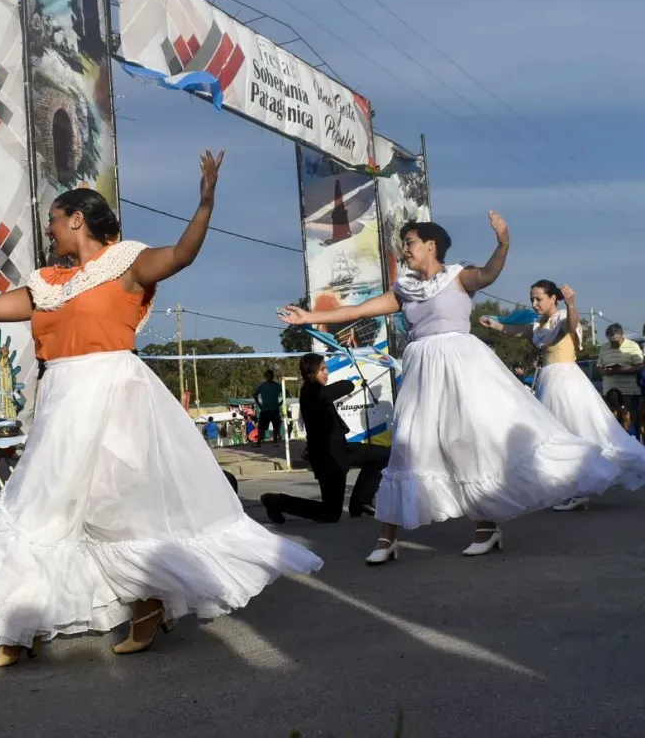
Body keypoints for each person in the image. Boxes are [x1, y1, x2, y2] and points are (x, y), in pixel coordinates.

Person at [0, 150, 322, 667]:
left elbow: (181, 255)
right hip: (62, 403)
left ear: (76, 220)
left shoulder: (125, 265)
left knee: (116, 511)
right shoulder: (47, 285)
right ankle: (19, 624)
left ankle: (146, 603)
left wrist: (205, 203)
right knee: (40, 508)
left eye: (54, 220)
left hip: (114, 397)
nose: (49, 230)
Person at [279, 213, 618, 565]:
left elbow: (489, 274)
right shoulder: (406, 288)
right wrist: (308, 317)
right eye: (403, 244)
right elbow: (361, 310)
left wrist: (503, 243)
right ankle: (387, 535)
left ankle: (486, 526)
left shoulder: (458, 276)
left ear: (431, 245)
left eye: (409, 243)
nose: (404, 249)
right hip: (421, 371)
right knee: (408, 444)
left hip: (461, 366)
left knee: (467, 442)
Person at [481, 282, 645, 511]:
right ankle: (572, 488)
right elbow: (521, 332)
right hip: (549, 379)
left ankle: (577, 490)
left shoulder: (562, 318)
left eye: (539, 299)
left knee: (571, 431)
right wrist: (496, 325)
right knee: (561, 433)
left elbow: (571, 325)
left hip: (565, 380)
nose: (534, 304)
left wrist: (571, 305)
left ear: (553, 299)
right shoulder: (540, 323)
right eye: (532, 299)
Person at [261, 353, 387, 524]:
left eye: (326, 368)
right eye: (322, 369)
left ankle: (361, 503)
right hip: (327, 460)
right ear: (310, 372)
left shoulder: (317, 391)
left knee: (382, 455)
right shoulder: (310, 392)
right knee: (330, 513)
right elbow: (347, 385)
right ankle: (277, 501)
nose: (326, 373)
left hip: (342, 450)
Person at [597, 324, 643, 439]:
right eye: (611, 341)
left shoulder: (633, 346)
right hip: (609, 392)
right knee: (612, 425)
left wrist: (623, 370)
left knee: (631, 422)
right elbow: (599, 367)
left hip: (629, 392)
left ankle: (634, 445)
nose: (614, 344)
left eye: (616, 341)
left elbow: (640, 366)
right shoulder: (604, 348)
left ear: (622, 335)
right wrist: (605, 371)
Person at [253, 370, 283, 446]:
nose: (269, 377)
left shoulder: (277, 385)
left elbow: (286, 393)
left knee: (276, 426)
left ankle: (275, 441)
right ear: (265, 377)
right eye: (267, 376)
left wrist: (281, 402)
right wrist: (259, 404)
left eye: (270, 376)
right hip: (265, 410)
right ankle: (258, 442)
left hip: (274, 410)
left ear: (273, 376)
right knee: (261, 427)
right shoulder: (262, 386)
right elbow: (255, 395)